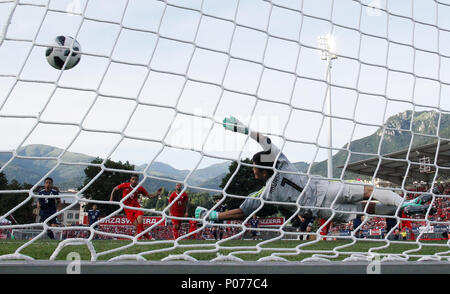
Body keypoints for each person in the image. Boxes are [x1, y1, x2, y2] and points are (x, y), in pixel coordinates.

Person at [195, 116, 436, 225]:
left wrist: (214, 216)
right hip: (325, 188)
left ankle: (402, 211)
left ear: (261, 170)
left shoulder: (266, 194)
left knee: (368, 209)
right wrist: (243, 129)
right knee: (369, 192)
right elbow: (265, 140)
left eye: (254, 168)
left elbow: (241, 212)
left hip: (323, 209)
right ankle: (405, 205)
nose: (253, 171)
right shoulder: (282, 164)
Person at [110, 174, 162, 240]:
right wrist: (111, 198)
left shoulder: (139, 188)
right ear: (130, 180)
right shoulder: (124, 185)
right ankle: (148, 237)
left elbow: (149, 196)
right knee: (138, 226)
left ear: (138, 181)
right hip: (127, 208)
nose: (134, 181)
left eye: (136, 180)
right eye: (133, 179)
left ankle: (139, 238)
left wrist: (156, 194)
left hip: (136, 207)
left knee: (140, 219)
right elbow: (115, 188)